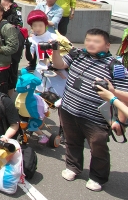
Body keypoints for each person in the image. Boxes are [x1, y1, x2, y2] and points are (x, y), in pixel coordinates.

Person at [50, 28, 128, 192]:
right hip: (69, 109)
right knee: (72, 141)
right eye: (88, 40)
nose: (91, 44)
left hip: (96, 118)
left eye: (96, 41)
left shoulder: (116, 66)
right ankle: (73, 167)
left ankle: (97, 177)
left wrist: (120, 121)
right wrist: (55, 51)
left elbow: (125, 96)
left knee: (98, 147)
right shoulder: (77, 54)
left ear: (107, 45)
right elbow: (59, 65)